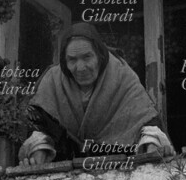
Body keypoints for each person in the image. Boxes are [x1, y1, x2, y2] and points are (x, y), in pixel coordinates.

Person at [19, 22, 173, 167]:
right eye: (72, 59)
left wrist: (152, 145)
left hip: (117, 169)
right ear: (64, 61)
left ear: (100, 55)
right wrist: (38, 151)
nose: (80, 68)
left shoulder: (122, 76)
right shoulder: (52, 81)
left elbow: (146, 123)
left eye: (87, 57)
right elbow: (38, 126)